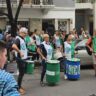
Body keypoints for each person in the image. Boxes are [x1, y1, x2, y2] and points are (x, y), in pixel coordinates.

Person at [12, 27, 28, 95]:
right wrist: (20, 52)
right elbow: (13, 46)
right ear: (20, 32)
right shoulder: (18, 38)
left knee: (22, 73)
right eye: (24, 33)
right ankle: (18, 88)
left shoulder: (22, 39)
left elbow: (23, 47)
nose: (25, 34)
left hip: (23, 58)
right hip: (20, 59)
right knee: (21, 74)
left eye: (26, 33)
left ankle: (19, 86)